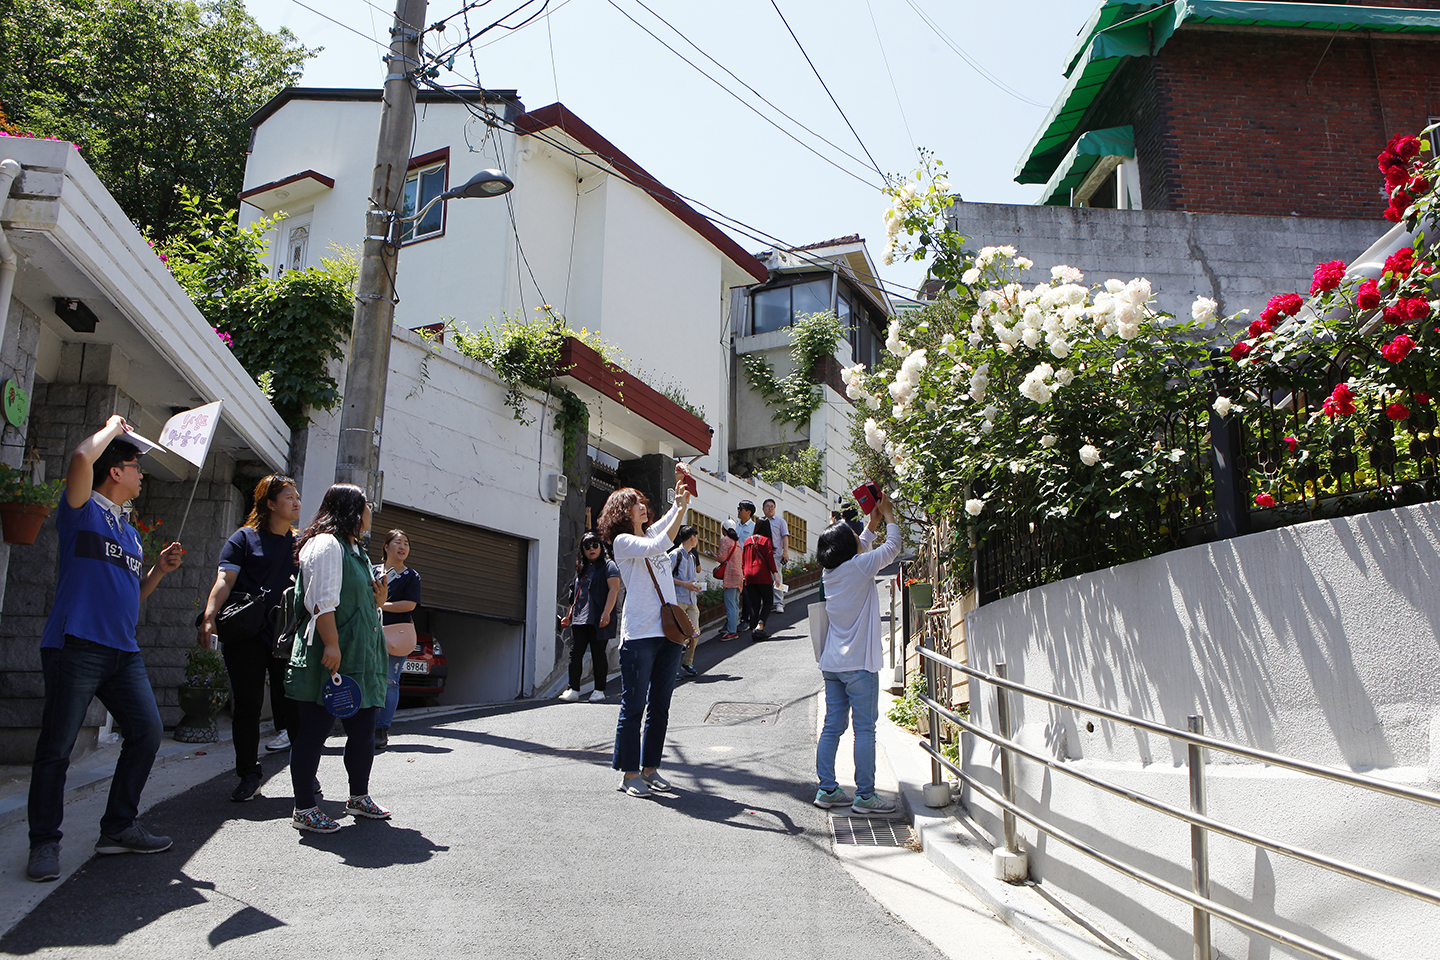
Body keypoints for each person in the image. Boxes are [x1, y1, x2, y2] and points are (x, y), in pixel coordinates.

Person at [26, 416, 184, 883]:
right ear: (115, 471)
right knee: (57, 748)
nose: (141, 475)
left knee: (147, 732)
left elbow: (130, 597)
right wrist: (113, 429)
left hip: (123, 651)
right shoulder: (82, 510)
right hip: (76, 645)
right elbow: (79, 458)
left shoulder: (131, 531)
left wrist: (156, 572)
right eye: (136, 467)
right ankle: (43, 844)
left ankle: (117, 827)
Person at [285, 483, 390, 833]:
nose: (369, 513)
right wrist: (331, 644)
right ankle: (304, 807)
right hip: (329, 654)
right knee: (313, 733)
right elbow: (320, 600)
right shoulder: (326, 544)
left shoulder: (355, 549)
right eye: (365, 505)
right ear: (351, 509)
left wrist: (379, 599)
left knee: (363, 731)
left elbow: (360, 606)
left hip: (361, 656)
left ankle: (358, 797)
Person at [198, 474, 301, 802]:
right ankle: (249, 774)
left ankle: (303, 774)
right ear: (270, 503)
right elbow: (225, 581)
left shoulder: (301, 545)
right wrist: (209, 616)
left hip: (286, 637)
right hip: (247, 637)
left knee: (295, 707)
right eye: (288, 496)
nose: (297, 501)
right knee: (247, 707)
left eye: (297, 496)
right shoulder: (243, 539)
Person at [601, 466, 692, 798]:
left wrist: (680, 502)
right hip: (640, 635)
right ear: (622, 513)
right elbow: (664, 542)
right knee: (634, 705)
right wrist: (679, 510)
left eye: (641, 501)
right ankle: (629, 773)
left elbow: (667, 524)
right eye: (634, 503)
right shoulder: (623, 542)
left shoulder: (648, 533)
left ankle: (651, 768)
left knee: (661, 705)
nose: (642, 505)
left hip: (668, 633)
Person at [813, 491, 902, 817]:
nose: (858, 538)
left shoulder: (831, 571)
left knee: (832, 726)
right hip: (859, 666)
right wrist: (889, 517)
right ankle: (865, 795)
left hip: (832, 663)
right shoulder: (861, 567)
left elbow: (860, 547)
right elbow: (892, 549)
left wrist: (871, 524)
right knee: (865, 729)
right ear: (848, 548)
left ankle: (827, 789)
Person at [373, 529, 422, 750]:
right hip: (369, 630)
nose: (403, 547)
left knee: (390, 681)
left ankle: (381, 729)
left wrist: (380, 604)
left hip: (395, 633)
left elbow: (409, 605)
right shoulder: (372, 571)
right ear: (386, 546)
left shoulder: (411, 576)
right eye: (398, 542)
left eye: (406, 544)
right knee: (365, 677)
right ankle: (363, 724)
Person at [558, 532, 620, 702]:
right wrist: (568, 616)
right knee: (575, 654)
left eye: (594, 545)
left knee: (598, 653)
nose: (591, 549)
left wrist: (606, 612)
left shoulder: (609, 566)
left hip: (599, 617)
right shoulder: (581, 569)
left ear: (600, 546)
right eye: (587, 546)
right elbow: (575, 595)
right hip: (580, 618)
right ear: (582, 550)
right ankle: (573, 689)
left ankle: (599, 690)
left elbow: (614, 590)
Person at [669, 524, 703, 677]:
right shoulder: (675, 554)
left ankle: (687, 662)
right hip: (678, 600)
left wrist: (694, 586)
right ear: (692, 537)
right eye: (696, 537)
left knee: (695, 633)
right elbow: (665, 577)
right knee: (677, 636)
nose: (697, 540)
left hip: (691, 599)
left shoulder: (692, 556)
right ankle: (672, 668)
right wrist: (685, 584)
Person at [742, 518, 777, 640]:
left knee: (754, 604)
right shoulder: (765, 540)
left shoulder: (747, 541)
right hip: (762, 574)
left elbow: (743, 559)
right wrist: (776, 574)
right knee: (768, 601)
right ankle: (760, 626)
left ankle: (754, 629)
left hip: (748, 575)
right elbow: (769, 558)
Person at [714, 520, 742, 641]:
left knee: (730, 604)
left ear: (723, 529)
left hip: (730, 575)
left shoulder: (725, 540)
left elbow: (722, 558)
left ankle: (732, 631)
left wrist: (713, 555)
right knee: (735, 604)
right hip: (738, 575)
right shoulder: (737, 542)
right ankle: (733, 628)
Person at [762, 498, 789, 613]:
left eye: (772, 506)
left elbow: (785, 536)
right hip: (763, 556)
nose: (770, 508)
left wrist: (785, 552)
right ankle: (769, 602)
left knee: (778, 579)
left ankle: (779, 602)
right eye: (767, 506)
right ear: (763, 509)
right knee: (765, 580)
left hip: (776, 555)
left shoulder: (780, 521)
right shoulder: (761, 522)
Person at [735, 500, 756, 629]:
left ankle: (745, 618)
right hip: (735, 563)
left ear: (748, 512)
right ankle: (731, 619)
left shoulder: (754, 527)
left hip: (747, 562)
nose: (738, 511)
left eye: (740, 509)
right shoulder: (736, 526)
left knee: (747, 592)